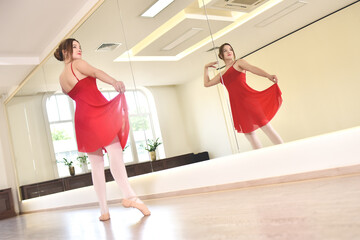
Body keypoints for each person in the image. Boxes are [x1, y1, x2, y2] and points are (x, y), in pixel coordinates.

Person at [54, 38, 150, 221]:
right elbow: (96, 72)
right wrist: (114, 82)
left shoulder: (61, 78)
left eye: (80, 46)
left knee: (96, 166)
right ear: (65, 51)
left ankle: (104, 211)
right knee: (115, 152)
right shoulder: (78, 64)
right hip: (95, 111)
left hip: (82, 119)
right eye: (74, 47)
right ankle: (130, 196)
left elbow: (75, 94)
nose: (79, 50)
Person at [204, 43, 283, 149]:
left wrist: (268, 75)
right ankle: (262, 161)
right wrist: (205, 68)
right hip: (238, 107)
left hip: (249, 101)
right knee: (250, 136)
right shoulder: (221, 74)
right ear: (221, 55)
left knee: (266, 128)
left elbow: (252, 68)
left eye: (230, 49)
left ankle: (286, 152)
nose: (229, 52)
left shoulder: (238, 63)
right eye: (225, 50)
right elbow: (207, 83)